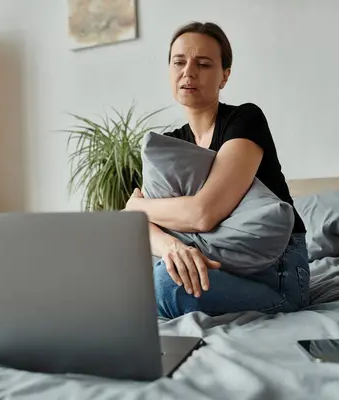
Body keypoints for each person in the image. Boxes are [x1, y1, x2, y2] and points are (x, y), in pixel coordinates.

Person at [124, 21, 309, 319]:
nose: (188, 72)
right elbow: (137, 223)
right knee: (122, 280)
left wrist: (137, 206)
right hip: (204, 261)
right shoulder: (169, 144)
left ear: (225, 76)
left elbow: (203, 213)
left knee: (164, 286)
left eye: (204, 64)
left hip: (275, 272)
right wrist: (173, 247)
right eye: (179, 62)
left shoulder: (245, 120)